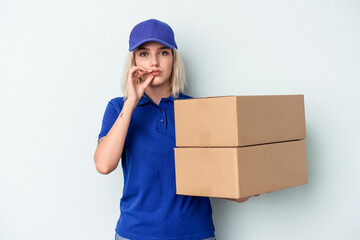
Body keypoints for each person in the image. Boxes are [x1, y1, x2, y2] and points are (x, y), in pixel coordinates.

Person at [94, 18, 256, 240]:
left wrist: (251, 182)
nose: (154, 62)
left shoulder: (199, 110)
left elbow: (220, 179)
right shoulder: (118, 108)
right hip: (135, 233)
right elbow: (104, 165)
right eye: (144, 54)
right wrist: (131, 101)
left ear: (173, 59)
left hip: (193, 233)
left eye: (163, 53)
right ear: (133, 61)